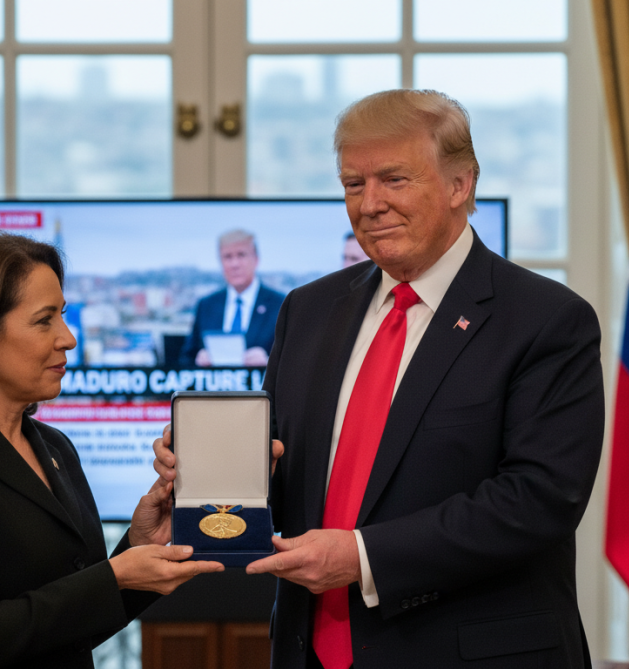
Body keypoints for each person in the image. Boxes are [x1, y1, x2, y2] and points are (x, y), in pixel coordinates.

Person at [155, 89, 604, 668]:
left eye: (394, 179)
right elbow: (293, 476)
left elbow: (537, 501)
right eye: (353, 184)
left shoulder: (546, 319)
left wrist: (362, 557)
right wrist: (216, 469)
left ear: (460, 184)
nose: (370, 204)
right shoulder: (307, 311)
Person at [0, 230, 222, 669]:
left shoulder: (55, 446)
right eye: (45, 321)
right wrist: (115, 575)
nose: (68, 338)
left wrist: (137, 546)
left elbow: (76, 625)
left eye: (63, 315)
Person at [179, 229, 285, 367]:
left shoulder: (281, 305)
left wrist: (269, 362)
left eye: (241, 255)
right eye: (227, 257)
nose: (234, 264)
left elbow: (298, 362)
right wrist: (197, 360)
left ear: (256, 259)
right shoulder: (206, 306)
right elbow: (185, 359)